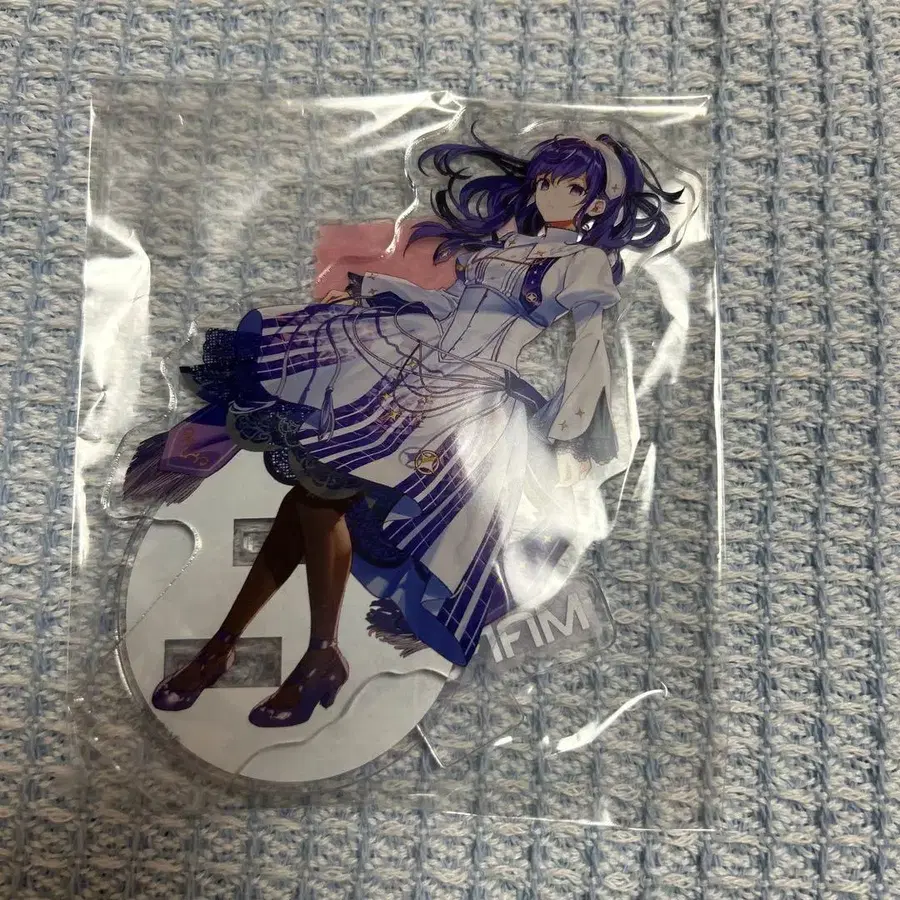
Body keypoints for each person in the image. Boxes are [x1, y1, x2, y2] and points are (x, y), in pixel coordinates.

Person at [124, 131, 682, 727]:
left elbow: (589, 348)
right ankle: (283, 654)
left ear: (595, 202)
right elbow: (447, 309)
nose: (549, 193)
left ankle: (258, 652)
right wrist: (375, 287)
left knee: (318, 500)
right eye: (544, 181)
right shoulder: (505, 246)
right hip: (410, 364)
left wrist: (573, 430)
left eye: (569, 187)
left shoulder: (583, 263)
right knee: (312, 499)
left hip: (462, 403)